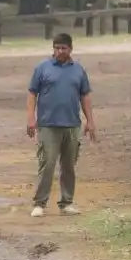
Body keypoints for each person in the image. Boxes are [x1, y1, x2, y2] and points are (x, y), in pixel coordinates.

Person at [26, 33, 96, 218]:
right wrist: (31, 118)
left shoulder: (78, 70)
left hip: (71, 124)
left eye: (63, 48)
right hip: (48, 124)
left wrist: (90, 121)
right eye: (57, 48)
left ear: (70, 49)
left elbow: (85, 96)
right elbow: (32, 93)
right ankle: (40, 203)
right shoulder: (43, 68)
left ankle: (67, 202)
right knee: (47, 164)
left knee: (69, 166)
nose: (60, 51)